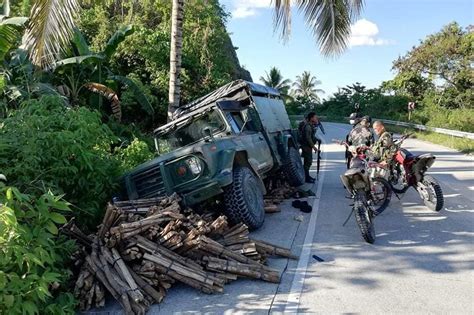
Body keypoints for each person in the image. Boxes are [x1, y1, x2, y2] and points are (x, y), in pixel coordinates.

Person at [299, 112, 320, 183]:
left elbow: (312, 136)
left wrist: (317, 139)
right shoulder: (308, 126)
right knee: (308, 162)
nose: (316, 118)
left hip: (307, 146)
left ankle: (307, 176)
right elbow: (308, 138)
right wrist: (314, 147)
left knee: (308, 162)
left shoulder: (310, 125)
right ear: (311, 118)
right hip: (306, 147)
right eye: (315, 117)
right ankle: (306, 178)